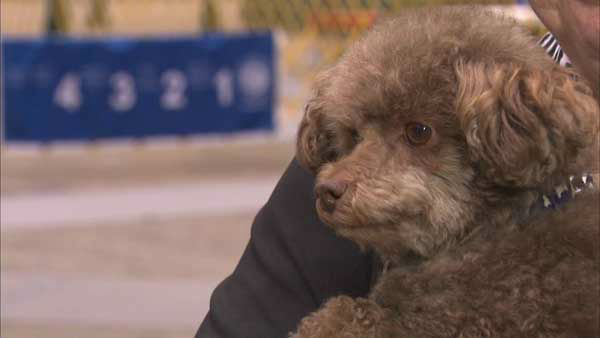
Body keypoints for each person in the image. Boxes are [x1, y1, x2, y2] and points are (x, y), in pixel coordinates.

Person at [196, 2, 599, 337]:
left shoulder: (502, 108)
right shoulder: (331, 186)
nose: (340, 174)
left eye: (419, 135)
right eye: (352, 137)